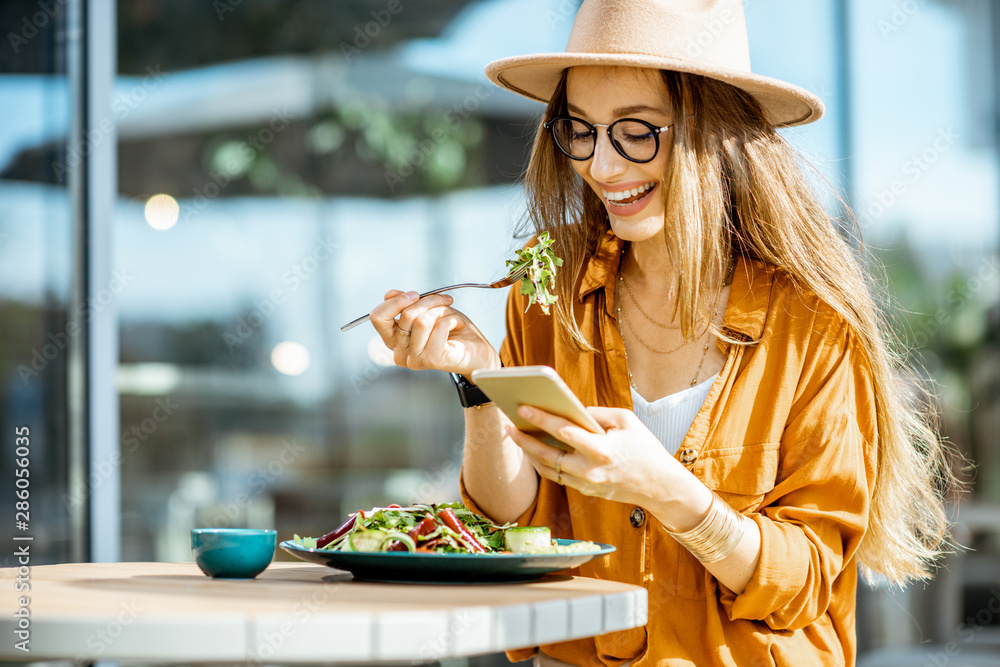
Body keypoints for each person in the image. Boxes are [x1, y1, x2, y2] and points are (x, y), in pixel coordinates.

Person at [370, 1, 956, 665]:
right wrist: (478, 381)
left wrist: (666, 491)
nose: (602, 165)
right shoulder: (548, 293)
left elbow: (805, 579)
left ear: (714, 132)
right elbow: (515, 527)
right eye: (581, 130)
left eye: (636, 132)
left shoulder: (811, 328)